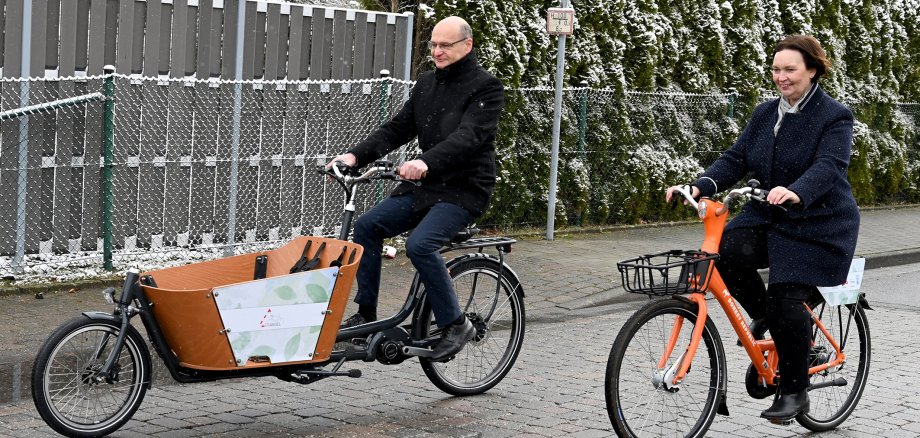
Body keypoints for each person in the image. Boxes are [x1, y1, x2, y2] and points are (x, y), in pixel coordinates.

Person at [666, 35, 859, 422]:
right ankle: (771, 321)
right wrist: (699, 185)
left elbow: (829, 165)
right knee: (722, 255)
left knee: (785, 296)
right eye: (776, 69)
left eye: (790, 69)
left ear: (813, 70)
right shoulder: (765, 112)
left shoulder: (834, 115)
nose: (781, 77)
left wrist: (796, 190)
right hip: (770, 215)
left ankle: (794, 391)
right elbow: (736, 158)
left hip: (819, 223)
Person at [326, 16, 504, 362]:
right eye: (433, 45)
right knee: (367, 226)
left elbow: (469, 137)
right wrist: (353, 156)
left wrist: (425, 162)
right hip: (424, 188)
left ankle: (456, 324)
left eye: (445, 45)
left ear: (466, 46)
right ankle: (366, 314)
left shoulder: (486, 87)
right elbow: (397, 129)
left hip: (463, 190)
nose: (436, 51)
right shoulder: (426, 84)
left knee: (420, 244)